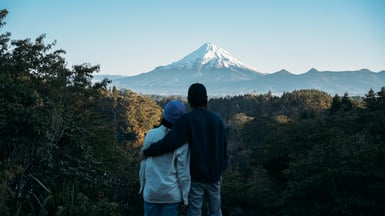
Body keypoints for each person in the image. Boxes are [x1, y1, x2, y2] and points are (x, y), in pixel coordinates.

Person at [140, 83, 229, 216]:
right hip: (214, 176)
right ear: (206, 98)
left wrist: (147, 152)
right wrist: (222, 167)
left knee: (194, 212)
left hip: (196, 177)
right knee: (215, 211)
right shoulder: (217, 120)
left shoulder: (187, 120)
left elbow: (170, 142)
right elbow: (224, 148)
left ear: (189, 100)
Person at [139, 100, 190, 216]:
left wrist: (143, 186)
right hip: (171, 194)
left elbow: (144, 164)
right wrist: (185, 197)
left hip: (151, 192)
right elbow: (183, 172)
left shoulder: (151, 134)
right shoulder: (182, 141)